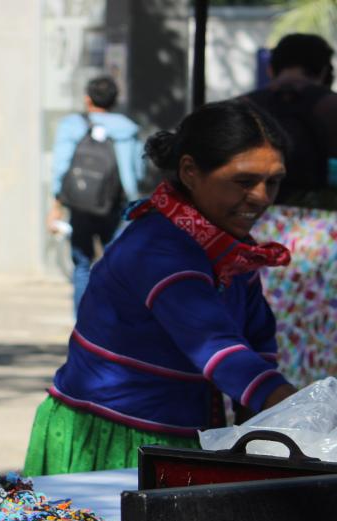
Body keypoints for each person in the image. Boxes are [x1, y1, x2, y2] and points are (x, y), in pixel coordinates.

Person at [25, 100, 298, 476]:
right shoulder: (159, 247)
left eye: (274, 181)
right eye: (244, 181)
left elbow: (258, 342)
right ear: (189, 171)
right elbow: (216, 347)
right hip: (116, 438)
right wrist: (295, 407)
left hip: (182, 435)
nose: (262, 197)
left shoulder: (230, 249)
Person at [244, 33, 337, 387]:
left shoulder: (243, 107)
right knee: (322, 341)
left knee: (262, 330)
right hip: (326, 243)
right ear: (325, 70)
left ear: (272, 66)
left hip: (255, 235)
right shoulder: (331, 107)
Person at [48, 76, 145, 313]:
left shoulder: (72, 125)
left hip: (80, 203)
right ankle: (110, 320)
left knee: (82, 264)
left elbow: (61, 167)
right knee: (114, 264)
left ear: (87, 99)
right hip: (116, 203)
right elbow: (138, 171)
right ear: (114, 100)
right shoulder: (127, 128)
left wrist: (56, 205)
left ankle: (82, 322)